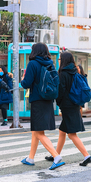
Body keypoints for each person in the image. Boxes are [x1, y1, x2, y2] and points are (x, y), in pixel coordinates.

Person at [20, 42, 65, 170]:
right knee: (37, 130)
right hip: (48, 100)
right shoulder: (50, 64)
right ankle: (30, 158)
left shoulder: (33, 64)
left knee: (39, 132)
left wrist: (22, 80)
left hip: (37, 101)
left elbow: (26, 83)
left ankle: (56, 156)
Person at [44, 52, 91, 166]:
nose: (59, 60)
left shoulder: (63, 73)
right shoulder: (74, 71)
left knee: (71, 134)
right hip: (74, 104)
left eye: (60, 59)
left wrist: (59, 102)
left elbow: (61, 91)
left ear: (64, 60)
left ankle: (87, 156)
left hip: (67, 106)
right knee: (62, 131)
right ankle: (55, 155)